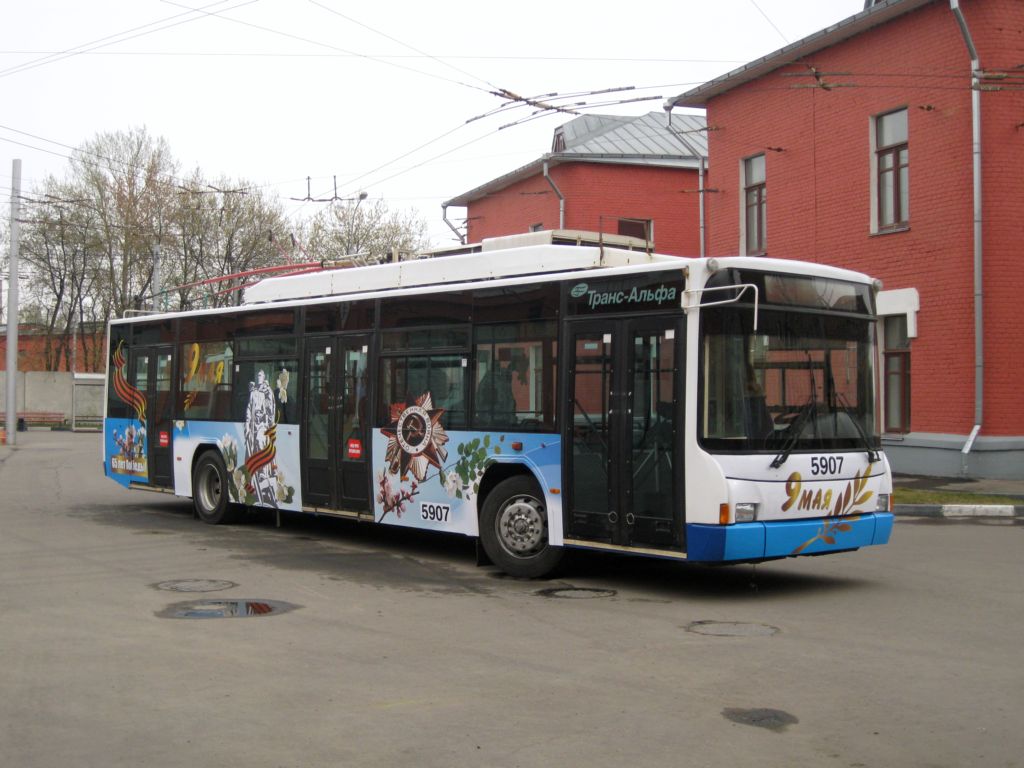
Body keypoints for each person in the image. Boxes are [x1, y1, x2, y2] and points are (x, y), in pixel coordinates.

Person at [475, 352, 528, 426]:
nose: (498, 368)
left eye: (498, 366)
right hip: (494, 420)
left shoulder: (502, 379)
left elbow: (510, 369)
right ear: (492, 368)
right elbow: (482, 403)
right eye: (496, 366)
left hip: (503, 419)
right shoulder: (488, 382)